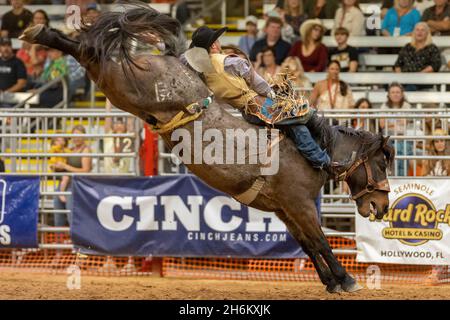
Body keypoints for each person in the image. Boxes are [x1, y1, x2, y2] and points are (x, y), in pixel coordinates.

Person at [184, 26, 349, 176]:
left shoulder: (204, 74)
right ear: (213, 45)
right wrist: (273, 95)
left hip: (247, 112)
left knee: (299, 119)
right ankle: (324, 162)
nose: (219, 43)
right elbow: (257, 82)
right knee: (302, 118)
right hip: (261, 106)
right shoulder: (232, 61)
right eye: (217, 40)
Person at [52, 125, 92, 227]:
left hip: (76, 185)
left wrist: (65, 166)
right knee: (58, 215)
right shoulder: (70, 149)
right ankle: (58, 240)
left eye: (79, 135)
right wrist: (57, 167)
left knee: (72, 215)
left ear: (84, 136)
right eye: (74, 135)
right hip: (64, 183)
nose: (76, 138)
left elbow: (86, 170)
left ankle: (75, 241)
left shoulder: (86, 150)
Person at [380, 82, 413, 176]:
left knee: (400, 147)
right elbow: (382, 125)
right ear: (389, 95)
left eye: (397, 92)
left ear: (402, 94)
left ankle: (398, 177)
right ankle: (400, 177)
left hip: (403, 137)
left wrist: (390, 124)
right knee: (399, 149)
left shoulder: (406, 106)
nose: (395, 94)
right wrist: (397, 123)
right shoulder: (384, 106)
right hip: (388, 138)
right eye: (393, 92)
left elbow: (405, 122)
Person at [16, 10, 49, 85]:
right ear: (33, 20)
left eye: (41, 18)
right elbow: (24, 47)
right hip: (28, 68)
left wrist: (33, 47)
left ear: (45, 20)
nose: (38, 20)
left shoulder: (49, 34)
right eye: (36, 18)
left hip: (41, 67)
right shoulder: (28, 31)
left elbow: (46, 48)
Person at [104, 99, 135, 173]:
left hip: (125, 175)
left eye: (121, 123)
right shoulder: (109, 135)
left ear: (125, 126)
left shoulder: (128, 135)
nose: (119, 125)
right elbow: (108, 115)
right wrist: (108, 99)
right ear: (112, 126)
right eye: (116, 123)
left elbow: (130, 118)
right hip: (109, 176)